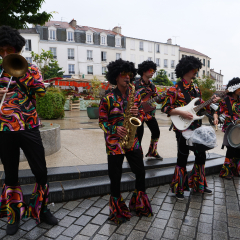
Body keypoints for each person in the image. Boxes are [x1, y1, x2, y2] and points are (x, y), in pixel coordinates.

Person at [0, 25, 58, 235]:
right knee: (11, 174)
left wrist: (21, 73)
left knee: (40, 170)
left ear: (17, 49)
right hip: (5, 127)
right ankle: (14, 215)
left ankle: (41, 210)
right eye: (2, 50)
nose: (5, 54)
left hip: (29, 125)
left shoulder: (31, 68)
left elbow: (41, 92)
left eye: (9, 50)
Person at [99, 59, 153, 224]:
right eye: (123, 75)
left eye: (129, 75)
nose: (127, 78)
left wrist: (138, 114)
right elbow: (101, 122)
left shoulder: (135, 94)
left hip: (132, 140)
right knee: (115, 177)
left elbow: (143, 115)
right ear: (116, 77)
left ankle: (139, 204)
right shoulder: (107, 98)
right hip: (114, 142)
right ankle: (117, 210)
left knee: (141, 172)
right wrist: (115, 130)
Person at [161, 56, 218, 200]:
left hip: (196, 126)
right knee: (183, 156)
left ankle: (199, 185)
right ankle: (179, 188)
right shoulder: (174, 89)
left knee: (201, 155)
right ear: (186, 69)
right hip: (182, 128)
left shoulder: (196, 87)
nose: (196, 72)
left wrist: (211, 104)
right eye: (194, 69)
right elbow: (165, 107)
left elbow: (200, 105)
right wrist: (181, 112)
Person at [134, 61, 163, 159]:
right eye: (151, 70)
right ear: (143, 71)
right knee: (139, 135)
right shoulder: (135, 84)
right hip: (138, 114)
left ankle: (153, 151)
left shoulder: (152, 86)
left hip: (150, 114)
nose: (153, 72)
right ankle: (137, 155)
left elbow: (157, 100)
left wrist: (163, 97)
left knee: (156, 132)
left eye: (154, 71)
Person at [214, 77, 240, 179]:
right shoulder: (225, 101)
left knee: (238, 150)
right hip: (230, 128)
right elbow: (216, 112)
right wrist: (215, 119)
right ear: (234, 89)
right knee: (230, 150)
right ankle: (225, 172)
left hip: (239, 128)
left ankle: (236, 170)